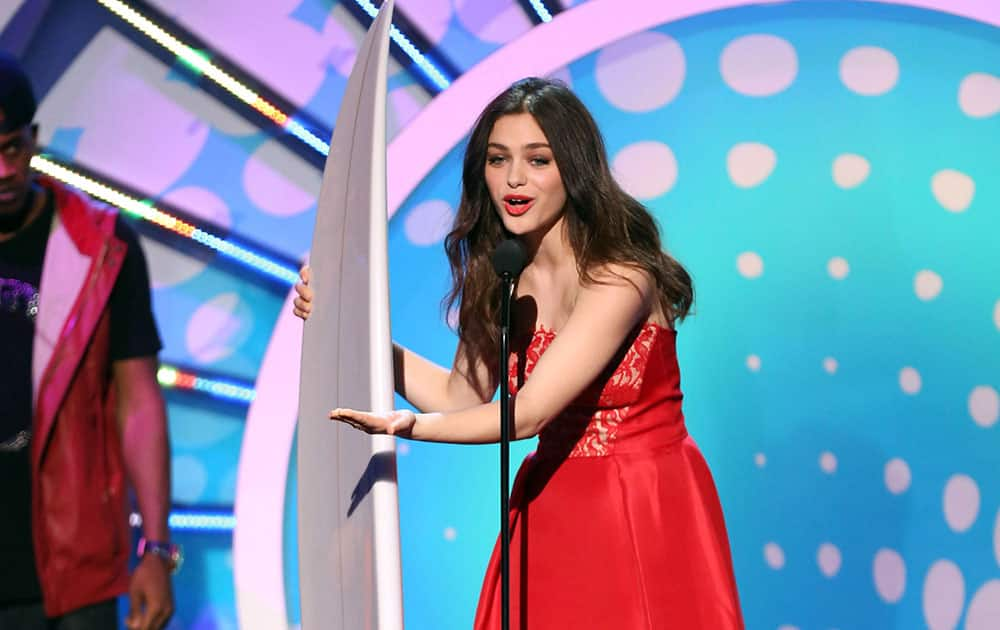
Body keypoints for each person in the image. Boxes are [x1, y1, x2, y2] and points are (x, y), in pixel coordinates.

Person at [294, 77, 743, 628]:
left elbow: (528, 413)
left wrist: (408, 426)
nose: (514, 179)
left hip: (642, 503)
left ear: (573, 169)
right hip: (550, 506)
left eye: (538, 160)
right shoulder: (502, 278)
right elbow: (460, 395)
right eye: (497, 159)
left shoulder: (623, 277)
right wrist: (349, 327)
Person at [0, 52, 175, 630]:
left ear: (35, 140)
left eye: (12, 148)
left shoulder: (101, 247)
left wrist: (154, 547)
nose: (4, 170)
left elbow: (139, 400)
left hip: (72, 568)